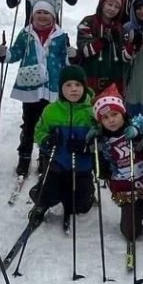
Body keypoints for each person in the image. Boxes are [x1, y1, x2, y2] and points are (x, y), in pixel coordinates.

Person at [0, 0, 69, 178]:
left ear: (53, 16)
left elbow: (66, 59)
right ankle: (24, 157)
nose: (42, 17)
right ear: (32, 15)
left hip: (51, 89)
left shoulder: (61, 36)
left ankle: (45, 158)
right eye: (39, 13)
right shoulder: (26, 34)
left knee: (49, 125)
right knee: (29, 125)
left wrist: (72, 57)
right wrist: (4, 54)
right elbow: (16, 53)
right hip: (30, 88)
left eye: (46, 13)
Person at [31, 66, 96, 230]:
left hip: (81, 168)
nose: (73, 89)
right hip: (56, 166)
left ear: (84, 87)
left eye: (78, 85)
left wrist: (87, 146)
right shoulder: (51, 110)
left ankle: (84, 194)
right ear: (60, 88)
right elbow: (38, 131)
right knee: (47, 193)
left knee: (80, 206)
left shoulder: (92, 113)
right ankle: (41, 200)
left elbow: (101, 139)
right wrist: (46, 140)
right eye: (68, 85)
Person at [89, 85, 143, 246]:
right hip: (127, 191)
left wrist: (138, 137)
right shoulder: (103, 141)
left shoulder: (137, 127)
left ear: (123, 114)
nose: (111, 120)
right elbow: (101, 173)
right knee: (130, 232)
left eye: (115, 114)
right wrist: (93, 149)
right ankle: (137, 215)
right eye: (105, 117)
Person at [75, 0, 128, 94]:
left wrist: (132, 46)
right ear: (102, 3)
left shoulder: (120, 29)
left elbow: (124, 57)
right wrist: (102, 41)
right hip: (90, 81)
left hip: (114, 84)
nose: (112, 9)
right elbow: (85, 50)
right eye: (110, 4)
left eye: (117, 7)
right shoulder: (88, 22)